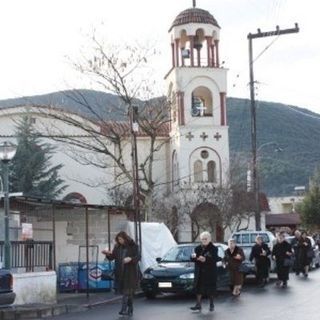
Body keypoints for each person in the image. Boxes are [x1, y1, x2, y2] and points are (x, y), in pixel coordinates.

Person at [102, 231, 139, 316]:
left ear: (125, 238)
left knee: (127, 291)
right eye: (118, 239)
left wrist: (131, 259)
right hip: (120, 272)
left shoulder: (133, 246)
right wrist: (107, 254)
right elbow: (112, 257)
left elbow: (138, 257)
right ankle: (130, 308)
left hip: (130, 273)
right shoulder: (117, 247)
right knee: (127, 292)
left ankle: (123, 309)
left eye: (121, 239)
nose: (119, 241)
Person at [190, 231, 220, 312]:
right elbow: (192, 258)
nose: (204, 240)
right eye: (202, 239)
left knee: (210, 289)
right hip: (199, 272)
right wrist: (196, 258)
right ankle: (198, 304)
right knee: (198, 289)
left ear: (209, 239)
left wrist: (205, 259)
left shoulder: (214, 248)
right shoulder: (197, 248)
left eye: (205, 239)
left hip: (210, 272)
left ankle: (211, 304)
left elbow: (215, 259)